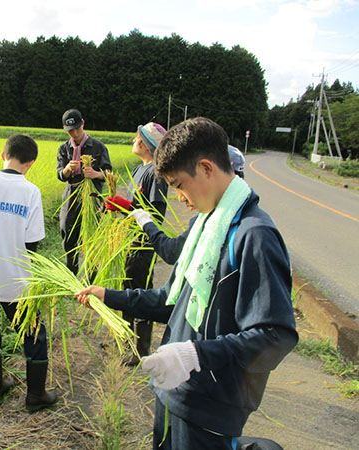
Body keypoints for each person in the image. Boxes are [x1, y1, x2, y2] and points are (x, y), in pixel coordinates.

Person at [76, 117, 298, 449]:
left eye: (179, 184)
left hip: (210, 409)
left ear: (207, 168)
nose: (179, 197)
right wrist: (109, 295)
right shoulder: (205, 226)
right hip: (174, 393)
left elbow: (276, 335)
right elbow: (172, 301)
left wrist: (196, 355)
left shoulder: (253, 236)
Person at [0, 134, 58, 412]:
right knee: (34, 334)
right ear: (30, 162)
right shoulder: (30, 192)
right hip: (15, 282)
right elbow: (32, 243)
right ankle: (35, 396)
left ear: (2, 155)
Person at [104, 122, 169, 365]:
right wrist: (118, 205)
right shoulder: (139, 170)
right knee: (127, 287)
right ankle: (125, 338)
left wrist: (126, 206)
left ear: (144, 143)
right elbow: (135, 206)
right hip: (130, 240)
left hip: (143, 243)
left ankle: (141, 349)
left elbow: (155, 214)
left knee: (139, 291)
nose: (133, 141)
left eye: (136, 138)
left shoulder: (155, 173)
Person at [129, 141, 248, 263]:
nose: (181, 198)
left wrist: (146, 222)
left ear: (208, 171)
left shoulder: (252, 232)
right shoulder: (215, 215)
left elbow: (172, 252)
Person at [57, 108, 112, 275]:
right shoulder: (64, 149)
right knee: (69, 237)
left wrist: (95, 174)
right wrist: (67, 170)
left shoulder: (98, 147)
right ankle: (71, 276)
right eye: (69, 131)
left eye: (76, 129)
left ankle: (91, 279)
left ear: (83, 124)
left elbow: (109, 174)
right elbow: (60, 174)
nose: (74, 134)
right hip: (71, 199)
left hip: (92, 198)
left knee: (91, 239)